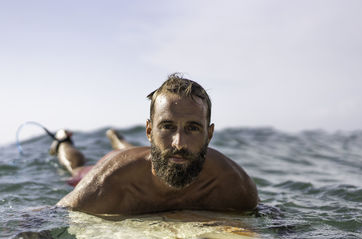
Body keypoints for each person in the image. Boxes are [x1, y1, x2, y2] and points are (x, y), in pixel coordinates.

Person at [54, 74, 259, 214]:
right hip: (121, 163)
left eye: (193, 128)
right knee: (76, 169)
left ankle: (118, 138)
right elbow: (52, 216)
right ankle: (63, 140)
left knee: (163, 153)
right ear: (149, 131)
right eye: (168, 126)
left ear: (209, 134)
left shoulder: (233, 184)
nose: (180, 143)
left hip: (147, 155)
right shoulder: (108, 182)